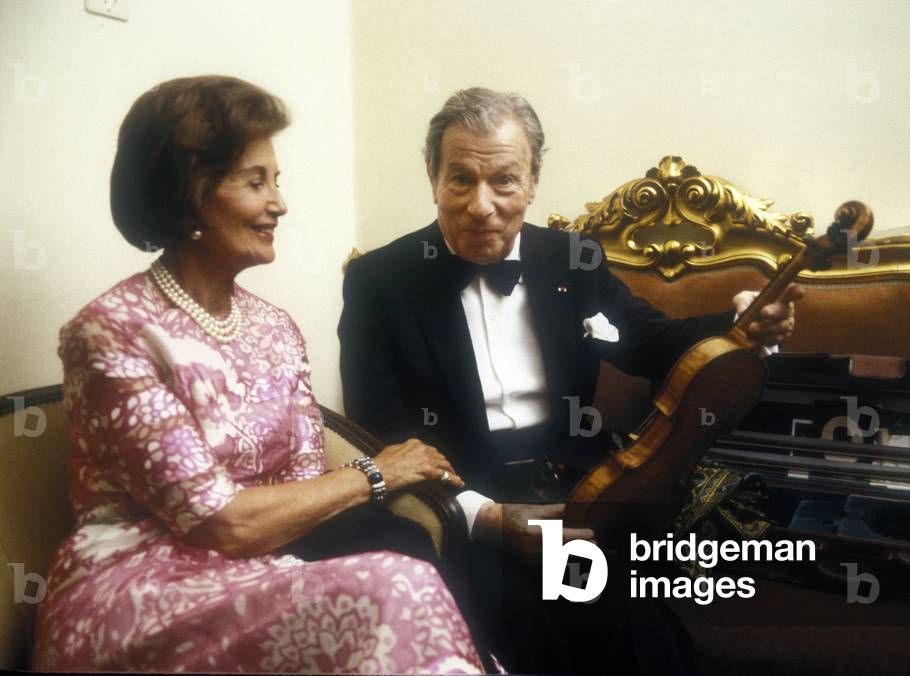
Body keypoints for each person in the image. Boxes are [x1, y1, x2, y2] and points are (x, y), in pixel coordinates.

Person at [338, 87, 802, 673]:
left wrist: (741, 320)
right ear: (432, 178)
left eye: (503, 181)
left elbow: (649, 341)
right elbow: (379, 433)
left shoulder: (573, 257)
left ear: (533, 182)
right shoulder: (380, 280)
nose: (481, 205)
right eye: (461, 179)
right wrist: (487, 518)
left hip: (584, 501)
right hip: (463, 507)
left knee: (629, 637)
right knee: (514, 633)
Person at [32, 75, 484, 674]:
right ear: (189, 193)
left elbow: (303, 485)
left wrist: (357, 502)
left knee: (397, 568)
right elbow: (219, 522)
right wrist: (378, 470)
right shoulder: (111, 331)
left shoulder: (276, 327)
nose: (280, 202)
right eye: (255, 182)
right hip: (139, 588)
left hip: (263, 562)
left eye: (277, 181)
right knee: (393, 586)